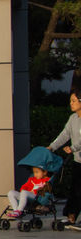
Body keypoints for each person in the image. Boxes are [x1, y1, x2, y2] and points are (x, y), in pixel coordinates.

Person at [49, 89, 81, 228]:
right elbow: (64, 135)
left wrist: (73, 148)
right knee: (75, 189)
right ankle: (71, 216)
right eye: (70, 101)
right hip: (78, 161)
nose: (71, 104)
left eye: (74, 101)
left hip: (77, 154)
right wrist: (51, 147)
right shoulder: (73, 119)